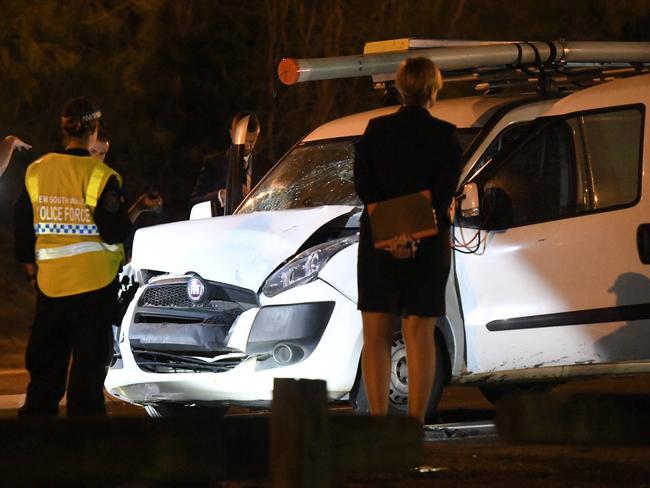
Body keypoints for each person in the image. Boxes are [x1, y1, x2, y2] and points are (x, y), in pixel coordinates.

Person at [13, 97, 149, 417]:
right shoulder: (102, 176)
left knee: (46, 368)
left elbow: (22, 232)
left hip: (51, 284)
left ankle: (33, 443)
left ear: (65, 130)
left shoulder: (37, 171)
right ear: (94, 130)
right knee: (87, 371)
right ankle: (86, 446)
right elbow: (114, 233)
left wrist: (33, 275)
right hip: (94, 285)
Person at [353, 57, 462, 424]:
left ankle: (380, 424)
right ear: (434, 88)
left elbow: (365, 189)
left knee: (377, 332)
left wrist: (390, 233)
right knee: (419, 331)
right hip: (428, 243)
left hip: (378, 241)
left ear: (399, 88)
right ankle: (415, 424)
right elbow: (444, 192)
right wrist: (412, 233)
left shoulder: (375, 130)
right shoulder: (445, 134)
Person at [190, 111, 274, 213]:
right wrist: (221, 196)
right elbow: (194, 201)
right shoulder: (213, 164)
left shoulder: (268, 166)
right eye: (244, 141)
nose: (248, 146)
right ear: (231, 134)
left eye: (252, 141)